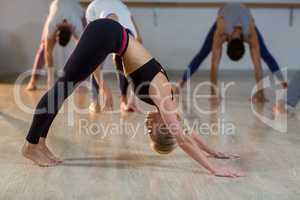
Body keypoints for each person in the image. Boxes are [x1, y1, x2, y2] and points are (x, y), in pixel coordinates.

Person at [22, 18, 243, 178]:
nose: (147, 126)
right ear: (164, 125)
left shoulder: (169, 106)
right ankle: (31, 145)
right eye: (151, 131)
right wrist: (214, 169)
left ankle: (39, 143)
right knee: (62, 87)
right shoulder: (165, 99)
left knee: (64, 89)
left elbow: (187, 132)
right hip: (108, 34)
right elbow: (183, 139)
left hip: (110, 36)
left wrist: (214, 152)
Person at [176, 3, 288, 102]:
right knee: (203, 53)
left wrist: (260, 94)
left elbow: (257, 65)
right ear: (227, 40)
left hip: (244, 18)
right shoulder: (221, 30)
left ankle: (284, 84)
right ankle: (180, 82)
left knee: (265, 54)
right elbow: (215, 64)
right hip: (225, 16)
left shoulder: (249, 32)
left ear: (244, 41)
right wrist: (213, 93)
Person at [86, 0, 143, 113]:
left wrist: (132, 100)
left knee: (132, 65)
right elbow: (93, 65)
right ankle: (95, 102)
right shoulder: (103, 32)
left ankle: (124, 101)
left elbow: (138, 71)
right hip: (104, 23)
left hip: (122, 30)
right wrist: (106, 91)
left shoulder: (132, 39)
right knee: (95, 61)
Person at [26, 0, 86, 91]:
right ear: (56, 33)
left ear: (71, 34)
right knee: (43, 48)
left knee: (85, 47)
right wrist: (50, 81)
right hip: (56, 7)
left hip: (76, 9)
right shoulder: (52, 24)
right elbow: (48, 52)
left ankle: (81, 80)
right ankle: (32, 81)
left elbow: (82, 52)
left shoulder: (77, 26)